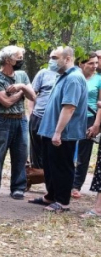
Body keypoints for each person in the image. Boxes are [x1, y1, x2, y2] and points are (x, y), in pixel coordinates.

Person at [34, 46, 88, 212]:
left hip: (64, 134)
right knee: (50, 166)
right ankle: (51, 196)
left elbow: (69, 107)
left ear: (67, 58)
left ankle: (62, 202)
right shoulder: (63, 76)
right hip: (50, 130)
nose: (51, 60)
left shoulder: (74, 79)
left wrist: (58, 132)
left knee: (62, 167)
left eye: (55, 57)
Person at [0, 46, 35, 199]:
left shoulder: (22, 75)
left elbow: (33, 96)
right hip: (1, 121)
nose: (21, 60)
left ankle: (18, 187)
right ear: (8, 60)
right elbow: (6, 102)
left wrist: (20, 86)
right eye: (18, 57)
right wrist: (23, 91)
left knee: (20, 155)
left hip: (21, 120)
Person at [72, 52, 101, 198]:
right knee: (67, 151)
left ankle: (76, 185)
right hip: (72, 118)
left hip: (89, 118)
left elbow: (100, 104)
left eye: (96, 63)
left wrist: (96, 124)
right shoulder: (73, 77)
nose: (95, 66)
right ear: (81, 64)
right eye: (91, 63)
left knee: (84, 154)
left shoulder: (99, 80)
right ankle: (64, 182)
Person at [27, 55, 60, 171]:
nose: (52, 60)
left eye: (56, 57)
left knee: (53, 148)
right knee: (36, 147)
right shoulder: (43, 73)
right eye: (51, 57)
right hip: (38, 116)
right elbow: (32, 94)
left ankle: (50, 177)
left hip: (56, 119)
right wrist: (31, 113)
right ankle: (37, 174)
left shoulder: (67, 75)